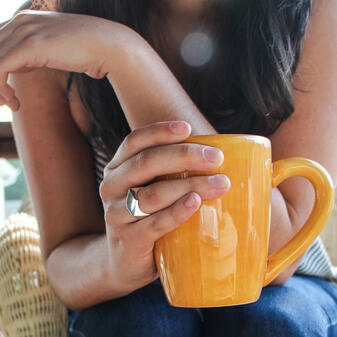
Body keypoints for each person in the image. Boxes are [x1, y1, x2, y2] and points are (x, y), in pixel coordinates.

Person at [1, 0, 337, 336]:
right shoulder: (45, 33)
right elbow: (64, 260)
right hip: (127, 292)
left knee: (275, 322)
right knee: (137, 324)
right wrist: (115, 262)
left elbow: (275, 259)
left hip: (292, 286)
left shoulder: (315, 10)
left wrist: (124, 56)